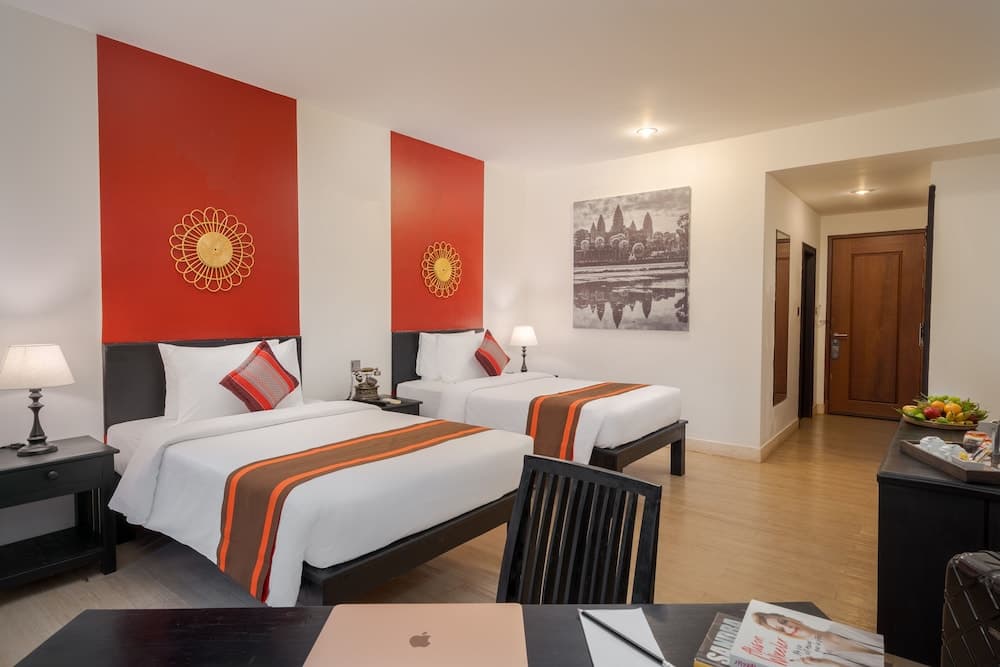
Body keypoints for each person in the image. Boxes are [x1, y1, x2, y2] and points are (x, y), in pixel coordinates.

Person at [751, 612, 881, 667]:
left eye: (784, 621)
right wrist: (826, 663)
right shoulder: (821, 659)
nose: (788, 627)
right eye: (781, 630)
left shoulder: (838, 625)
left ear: (791, 618)